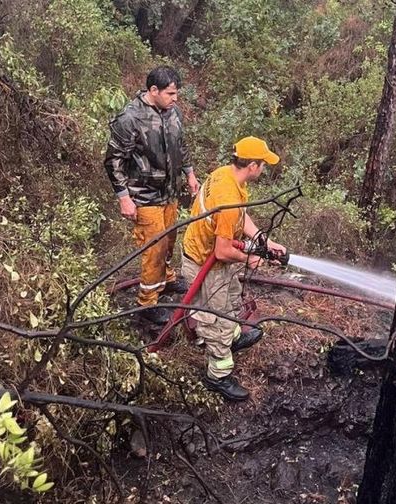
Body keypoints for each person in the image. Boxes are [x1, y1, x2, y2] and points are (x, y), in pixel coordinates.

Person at [182, 136, 287, 401]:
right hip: (206, 262)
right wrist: (250, 258)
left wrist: (264, 241)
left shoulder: (225, 175)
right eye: (263, 164)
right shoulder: (228, 192)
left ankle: (232, 336)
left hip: (215, 260)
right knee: (214, 316)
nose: (263, 169)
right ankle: (217, 375)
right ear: (252, 166)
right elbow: (222, 251)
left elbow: (239, 215)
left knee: (230, 298)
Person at [104, 66, 200, 324]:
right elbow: (113, 161)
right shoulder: (130, 118)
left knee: (169, 241)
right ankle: (147, 304)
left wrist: (189, 174)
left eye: (176, 93)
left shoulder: (173, 112)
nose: (175, 98)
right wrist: (123, 197)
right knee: (154, 249)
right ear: (153, 90)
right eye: (170, 93)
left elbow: (181, 145)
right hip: (143, 195)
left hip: (169, 192)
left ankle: (166, 280)